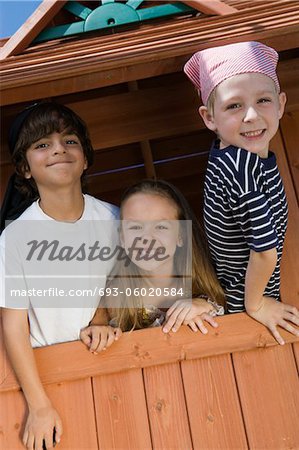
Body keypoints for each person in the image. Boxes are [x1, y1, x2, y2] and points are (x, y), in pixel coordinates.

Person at [0, 102, 119, 450]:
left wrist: (101, 317)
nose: (57, 149)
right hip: (46, 381)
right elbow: (13, 324)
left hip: (108, 364)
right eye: (41, 145)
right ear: (24, 167)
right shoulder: (14, 239)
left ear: (85, 157)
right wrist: (38, 406)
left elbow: (121, 287)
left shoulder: (115, 219)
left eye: (69, 141)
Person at [183, 41, 299, 345]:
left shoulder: (237, 158)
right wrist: (256, 304)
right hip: (245, 307)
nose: (250, 115)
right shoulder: (239, 169)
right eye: (234, 105)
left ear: (281, 103)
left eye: (263, 100)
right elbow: (263, 250)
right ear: (209, 118)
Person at [80, 179, 225, 354]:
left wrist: (206, 304)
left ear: (181, 235)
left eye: (161, 226)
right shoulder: (111, 300)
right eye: (135, 227)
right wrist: (99, 332)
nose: (147, 238)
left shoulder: (209, 285)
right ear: (122, 237)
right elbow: (97, 331)